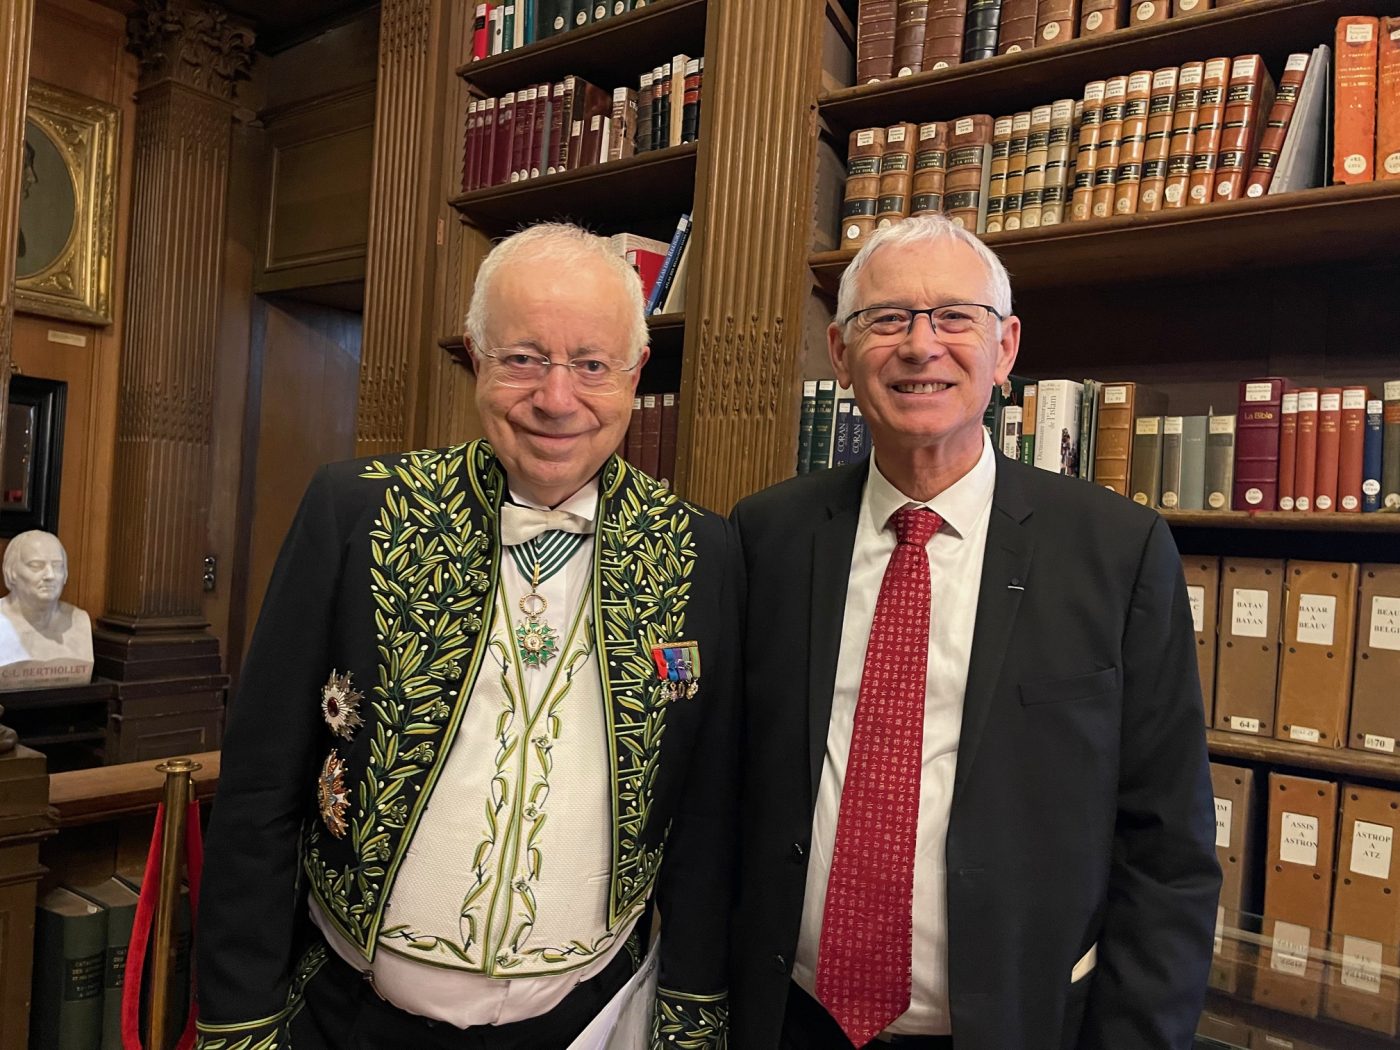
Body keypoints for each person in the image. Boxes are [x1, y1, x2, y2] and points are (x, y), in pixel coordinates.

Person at [197, 223, 739, 1050]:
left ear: (635, 375)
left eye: (592, 365)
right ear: (477, 360)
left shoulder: (703, 550)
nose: (557, 398)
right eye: (523, 358)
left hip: (588, 1025)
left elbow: (703, 816)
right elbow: (261, 787)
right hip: (347, 1021)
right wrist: (240, 1022)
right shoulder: (360, 511)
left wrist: (690, 1020)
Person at [729, 214, 1219, 1050]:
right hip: (791, 1021)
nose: (922, 347)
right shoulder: (766, 536)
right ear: (841, 355)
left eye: (955, 317)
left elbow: (1168, 846)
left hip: (1020, 1028)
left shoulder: (1119, 551)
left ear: (1006, 346)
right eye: (887, 319)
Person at [0, 530, 94, 685]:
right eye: (36, 566)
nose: (50, 575)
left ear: (65, 574)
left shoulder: (79, 620)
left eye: (57, 566)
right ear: (11, 572)